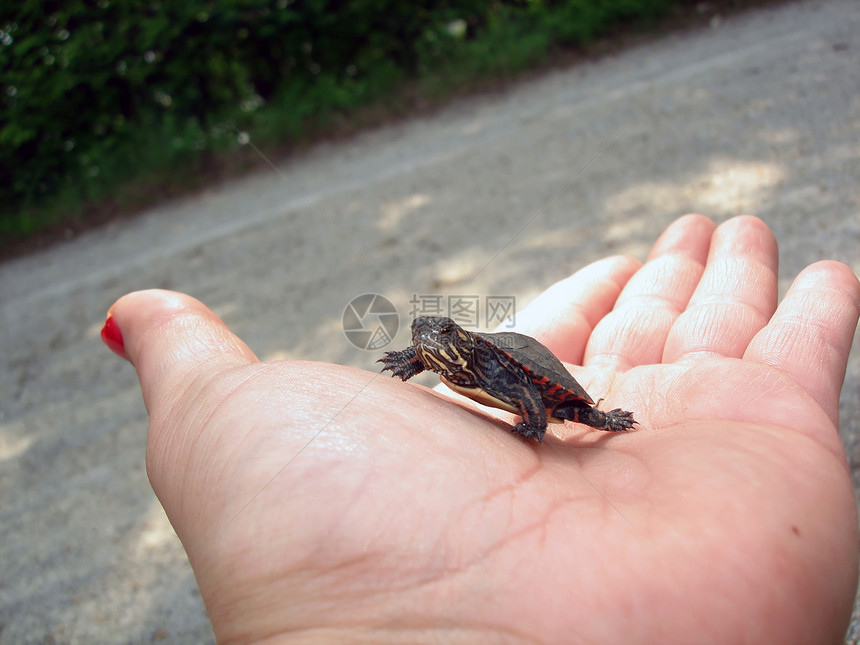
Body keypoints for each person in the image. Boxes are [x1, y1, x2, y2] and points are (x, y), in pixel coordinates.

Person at [101, 215, 859, 643]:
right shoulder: (444, 355)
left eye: (434, 335)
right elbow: (429, 357)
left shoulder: (489, 362)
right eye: (427, 339)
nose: (429, 340)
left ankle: (598, 411)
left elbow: (528, 398)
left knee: (580, 414)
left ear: (457, 341)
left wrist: (548, 419)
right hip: (500, 379)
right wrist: (409, 363)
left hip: (536, 381)